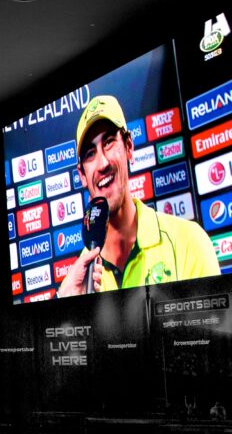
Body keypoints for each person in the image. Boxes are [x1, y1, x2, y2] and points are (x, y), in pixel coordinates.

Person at [58, 95, 221, 296]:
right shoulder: (82, 279)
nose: (103, 163)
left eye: (108, 142)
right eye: (90, 154)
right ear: (82, 175)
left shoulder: (189, 242)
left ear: (129, 147)